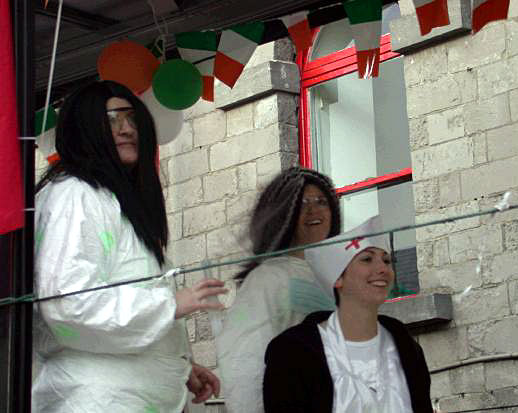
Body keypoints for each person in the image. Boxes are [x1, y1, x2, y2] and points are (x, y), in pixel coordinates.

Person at [33, 80, 227, 412]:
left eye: (132, 118)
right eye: (111, 119)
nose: (126, 129)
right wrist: (169, 305)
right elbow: (67, 304)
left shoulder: (115, 202)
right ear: (85, 127)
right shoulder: (73, 195)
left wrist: (179, 366)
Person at [263, 215, 433, 413]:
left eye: (386, 260)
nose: (383, 269)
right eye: (367, 259)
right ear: (338, 278)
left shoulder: (405, 347)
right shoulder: (291, 353)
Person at [216, 167, 341, 413]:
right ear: (284, 213)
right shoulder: (267, 278)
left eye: (321, 201)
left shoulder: (337, 277)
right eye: (303, 202)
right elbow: (245, 361)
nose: (314, 210)